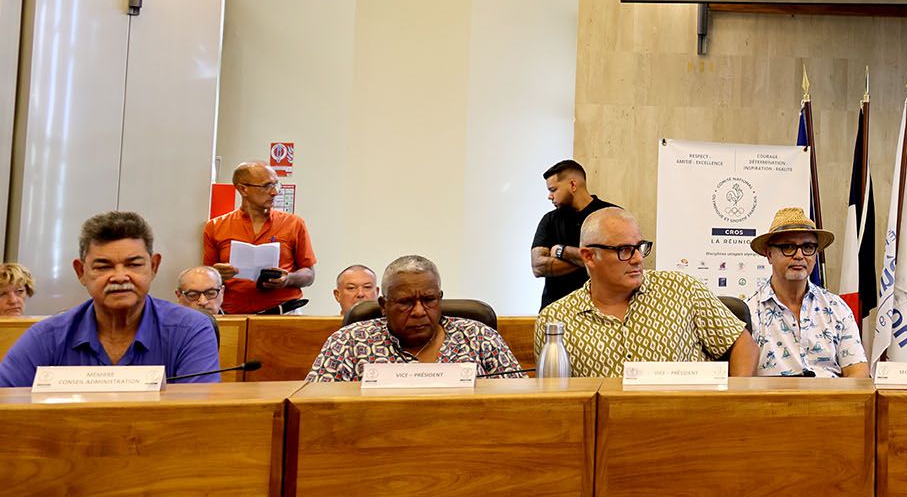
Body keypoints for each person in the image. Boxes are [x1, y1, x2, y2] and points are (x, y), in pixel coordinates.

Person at [0, 212, 219, 387]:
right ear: (80, 272)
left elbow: (196, 420)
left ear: (153, 267)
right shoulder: (46, 337)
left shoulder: (190, 330)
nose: (120, 277)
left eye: (133, 264)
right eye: (104, 267)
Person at [534, 208, 755, 377]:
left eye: (639, 247)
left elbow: (745, 346)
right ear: (589, 257)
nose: (639, 259)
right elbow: (555, 399)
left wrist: (732, 405)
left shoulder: (681, 289)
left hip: (691, 426)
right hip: (608, 432)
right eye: (624, 250)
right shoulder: (555, 321)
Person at [308, 255, 520, 381]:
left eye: (429, 300)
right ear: (384, 305)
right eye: (406, 302)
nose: (419, 311)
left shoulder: (480, 338)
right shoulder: (348, 343)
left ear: (440, 299)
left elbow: (520, 403)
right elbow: (313, 408)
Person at [744, 207, 866, 377]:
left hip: (831, 402)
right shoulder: (749, 313)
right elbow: (740, 383)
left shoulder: (837, 308)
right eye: (788, 247)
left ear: (815, 255)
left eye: (808, 247)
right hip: (773, 401)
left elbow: (858, 374)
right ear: (769, 254)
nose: (799, 255)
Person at [201, 162, 317, 314]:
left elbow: (309, 274)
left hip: (284, 313)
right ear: (243, 189)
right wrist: (217, 275)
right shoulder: (215, 226)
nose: (275, 192)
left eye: (276, 185)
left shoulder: (294, 223)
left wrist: (288, 279)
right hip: (233, 315)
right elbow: (206, 278)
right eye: (267, 186)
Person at [530, 159, 619, 310]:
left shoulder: (611, 215)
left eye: (553, 190)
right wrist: (594, 260)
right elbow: (538, 267)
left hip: (599, 313)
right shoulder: (550, 220)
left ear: (572, 185)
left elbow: (616, 262)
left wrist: (562, 251)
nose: (549, 196)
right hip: (555, 314)